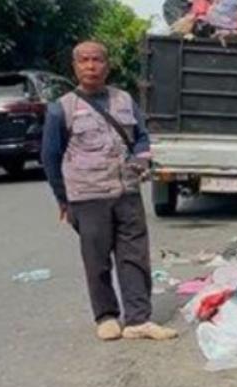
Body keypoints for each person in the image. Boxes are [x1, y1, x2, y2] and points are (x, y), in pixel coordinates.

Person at [42, 41, 177, 342]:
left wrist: (141, 160)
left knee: (135, 258)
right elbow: (50, 157)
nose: (91, 66)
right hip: (87, 197)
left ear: (107, 65)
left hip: (127, 192)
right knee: (97, 260)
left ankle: (138, 320)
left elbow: (141, 137)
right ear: (74, 67)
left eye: (97, 60)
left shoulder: (124, 100)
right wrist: (63, 199)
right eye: (84, 60)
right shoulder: (61, 109)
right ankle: (106, 316)